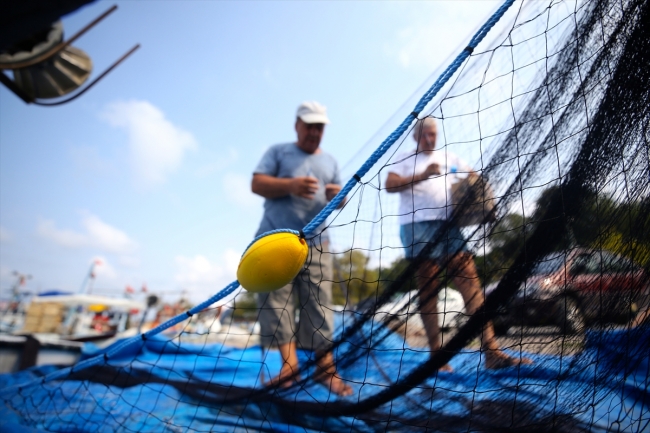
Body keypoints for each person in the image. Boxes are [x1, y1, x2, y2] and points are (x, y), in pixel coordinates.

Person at [385, 116, 531, 370]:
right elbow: (390, 185)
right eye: (425, 135)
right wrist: (421, 175)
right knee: (429, 286)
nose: (430, 139)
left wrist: (485, 204)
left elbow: (474, 180)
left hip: (449, 226)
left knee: (470, 280)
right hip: (416, 225)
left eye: (433, 134)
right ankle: (436, 356)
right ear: (415, 137)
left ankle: (492, 351)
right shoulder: (405, 159)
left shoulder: (449, 158)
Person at [250, 101, 352, 396]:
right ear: (297, 125)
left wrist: (339, 197)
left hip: (317, 243)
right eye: (309, 125)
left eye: (319, 127)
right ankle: (288, 366)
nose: (314, 132)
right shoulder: (278, 152)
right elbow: (256, 183)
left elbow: (340, 199)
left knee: (320, 305)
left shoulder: (330, 162)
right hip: (274, 241)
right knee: (275, 303)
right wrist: (291, 185)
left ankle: (325, 369)